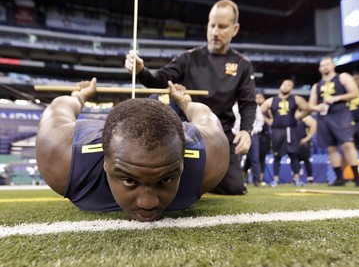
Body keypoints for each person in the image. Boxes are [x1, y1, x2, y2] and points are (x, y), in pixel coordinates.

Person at [35, 78, 230, 222]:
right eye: (129, 180)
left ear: (182, 162)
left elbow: (203, 114)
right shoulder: (60, 155)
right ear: (105, 162)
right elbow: (58, 108)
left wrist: (184, 101)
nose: (148, 203)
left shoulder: (211, 159)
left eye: (166, 179)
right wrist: (80, 96)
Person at [125, 0, 256, 195]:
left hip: (222, 134)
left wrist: (246, 131)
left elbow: (248, 103)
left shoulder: (243, 64)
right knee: (180, 185)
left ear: (234, 29)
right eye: (212, 25)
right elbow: (158, 81)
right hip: (188, 134)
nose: (215, 32)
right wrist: (141, 70)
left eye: (222, 26)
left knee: (235, 188)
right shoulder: (188, 58)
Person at [308, 56, 359, 187]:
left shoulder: (343, 77)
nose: (325, 67)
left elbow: (356, 93)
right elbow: (310, 105)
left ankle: (357, 178)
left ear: (333, 65)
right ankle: (339, 178)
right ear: (319, 69)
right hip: (324, 116)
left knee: (347, 144)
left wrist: (336, 98)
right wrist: (317, 107)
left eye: (327, 64)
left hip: (340, 112)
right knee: (331, 148)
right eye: (322, 65)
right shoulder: (317, 85)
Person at [260, 79, 310, 187]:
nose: (286, 86)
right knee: (277, 155)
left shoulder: (296, 99)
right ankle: (275, 180)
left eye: (289, 85)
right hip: (276, 130)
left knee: (294, 155)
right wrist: (268, 120)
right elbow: (259, 111)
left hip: (291, 129)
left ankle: (296, 179)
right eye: (284, 84)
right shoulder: (271, 100)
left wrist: (300, 116)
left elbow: (307, 108)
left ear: (291, 88)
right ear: (280, 86)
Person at [241, 102, 264, 187]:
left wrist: (255, 130)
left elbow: (260, 120)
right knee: (235, 158)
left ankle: (256, 180)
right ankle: (238, 180)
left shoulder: (254, 105)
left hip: (252, 134)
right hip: (236, 134)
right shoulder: (233, 104)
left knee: (254, 158)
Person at [255, 92, 272, 186]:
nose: (258, 99)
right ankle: (244, 177)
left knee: (262, 158)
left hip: (264, 136)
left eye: (260, 97)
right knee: (251, 158)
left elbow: (271, 122)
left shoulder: (267, 110)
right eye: (256, 97)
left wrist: (261, 115)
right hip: (254, 134)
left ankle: (260, 178)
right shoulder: (251, 108)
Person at [296, 112, 317, 183]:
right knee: (295, 160)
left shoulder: (305, 117)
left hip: (304, 142)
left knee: (306, 159)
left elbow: (314, 124)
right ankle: (296, 178)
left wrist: (307, 138)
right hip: (294, 142)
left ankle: (310, 178)